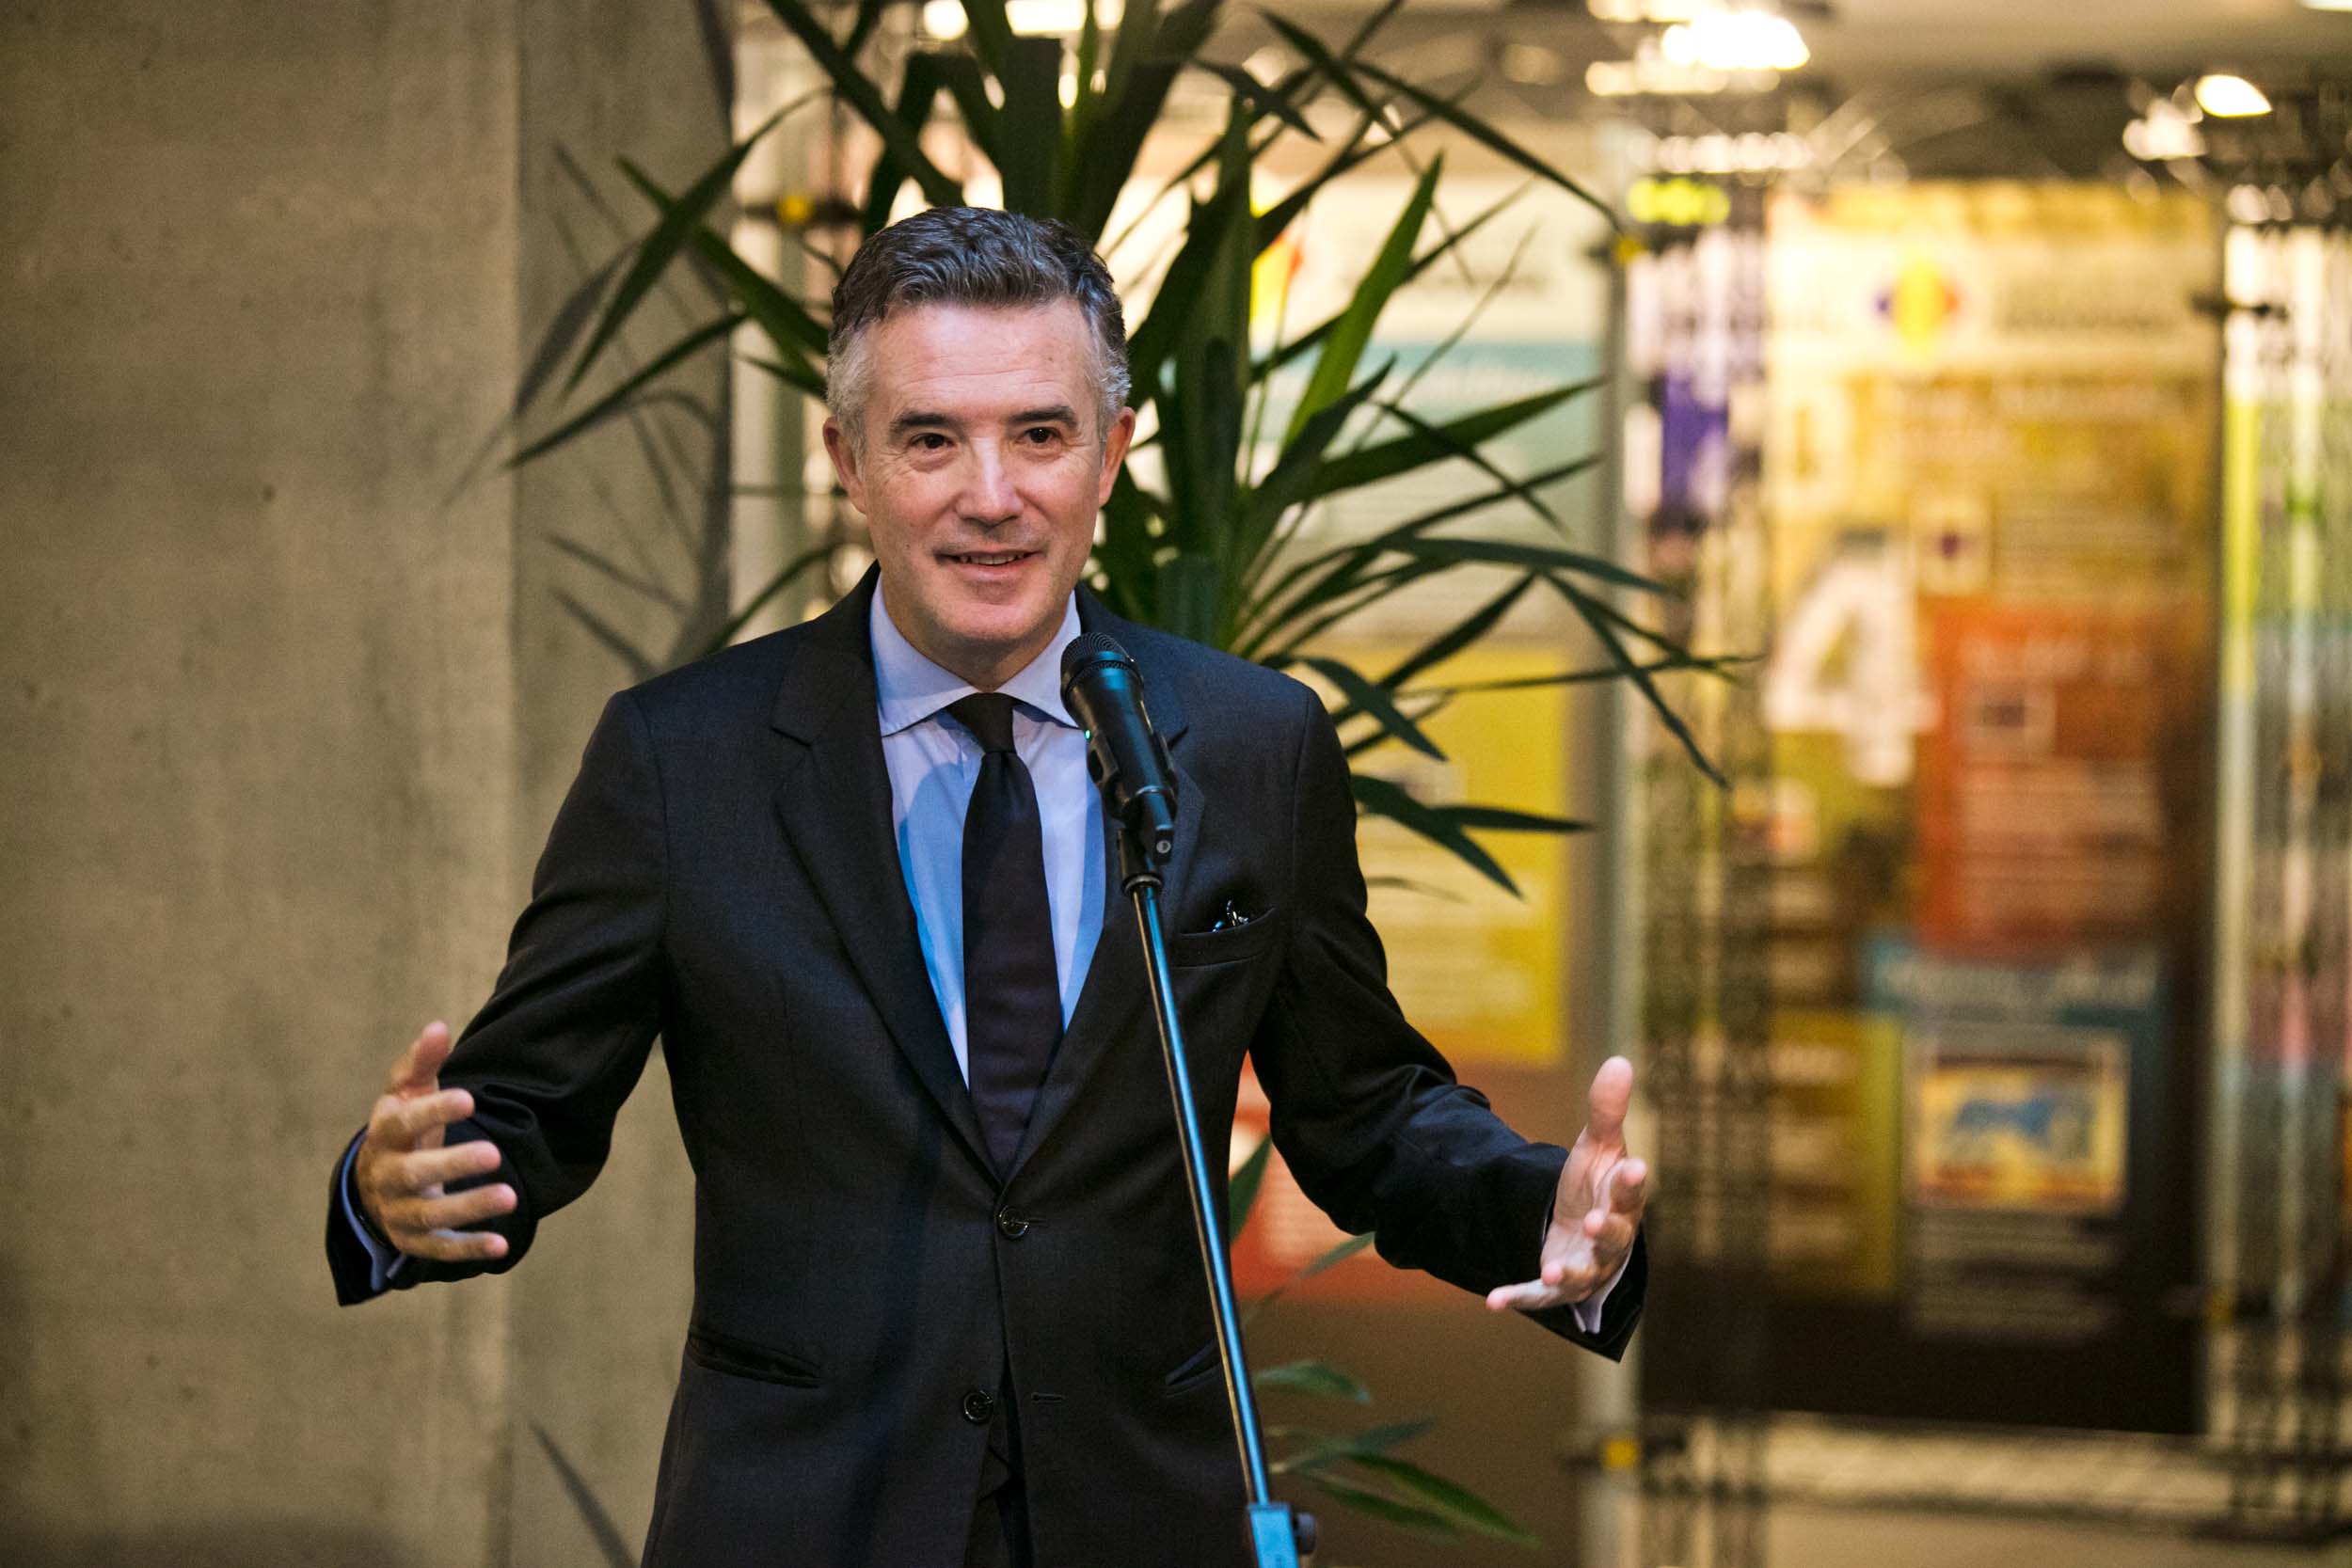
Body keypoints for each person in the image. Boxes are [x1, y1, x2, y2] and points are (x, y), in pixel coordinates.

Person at [324, 205, 1649, 1568]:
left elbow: (1363, 1111)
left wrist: (1540, 1206)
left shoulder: (1253, 744)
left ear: (1111, 452)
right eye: (930, 439)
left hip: (1142, 1518)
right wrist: (397, 1192)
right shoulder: (684, 760)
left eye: (1040, 433)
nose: (993, 494)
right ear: (847, 461)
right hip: (805, 1520)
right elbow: (526, 1110)